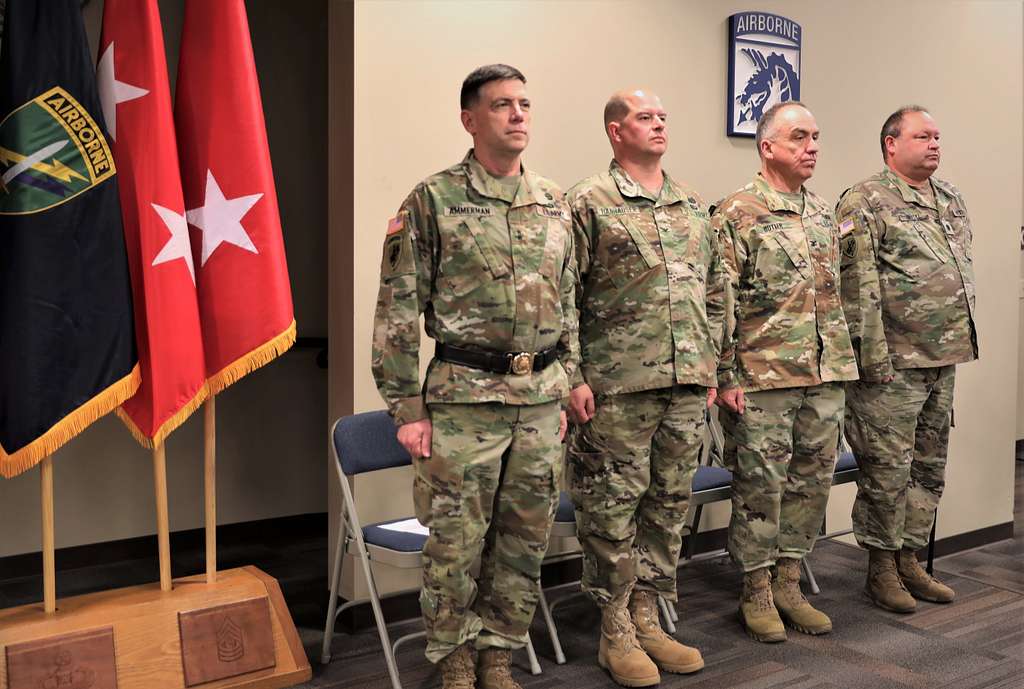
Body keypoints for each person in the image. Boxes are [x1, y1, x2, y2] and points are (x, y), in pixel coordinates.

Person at [371, 64, 580, 689]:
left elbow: (567, 299)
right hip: (465, 400)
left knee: (524, 539)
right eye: (501, 106)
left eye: (524, 104)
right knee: (456, 544)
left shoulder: (553, 199)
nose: (517, 115)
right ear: (470, 119)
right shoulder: (432, 200)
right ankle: (454, 657)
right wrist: (408, 411)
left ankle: (500, 652)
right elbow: (399, 307)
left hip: (540, 402)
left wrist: (567, 383)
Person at [565, 88, 724, 686]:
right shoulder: (588, 201)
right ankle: (615, 628)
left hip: (685, 384)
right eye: (643, 117)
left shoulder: (691, 204)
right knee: (612, 507)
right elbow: (564, 296)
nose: (658, 125)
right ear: (614, 130)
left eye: (663, 117)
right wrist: (574, 375)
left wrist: (710, 364)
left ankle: (648, 613)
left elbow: (713, 291)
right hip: (616, 387)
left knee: (668, 505)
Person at [713, 101, 857, 643]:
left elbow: (836, 295)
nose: (812, 146)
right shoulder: (736, 212)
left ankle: (789, 581)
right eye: (799, 136)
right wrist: (726, 376)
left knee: (811, 481)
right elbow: (720, 302)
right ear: (768, 145)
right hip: (763, 376)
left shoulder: (823, 213)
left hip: (824, 371)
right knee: (762, 486)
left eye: (816, 136)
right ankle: (754, 589)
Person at [836, 106, 977, 613]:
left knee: (928, 468)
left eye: (938, 135)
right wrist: (871, 361)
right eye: (923, 136)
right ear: (891, 144)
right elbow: (858, 289)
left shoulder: (951, 198)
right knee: (885, 471)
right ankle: (880, 570)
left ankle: (911, 558)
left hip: (944, 357)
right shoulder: (864, 200)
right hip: (892, 363)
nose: (935, 144)